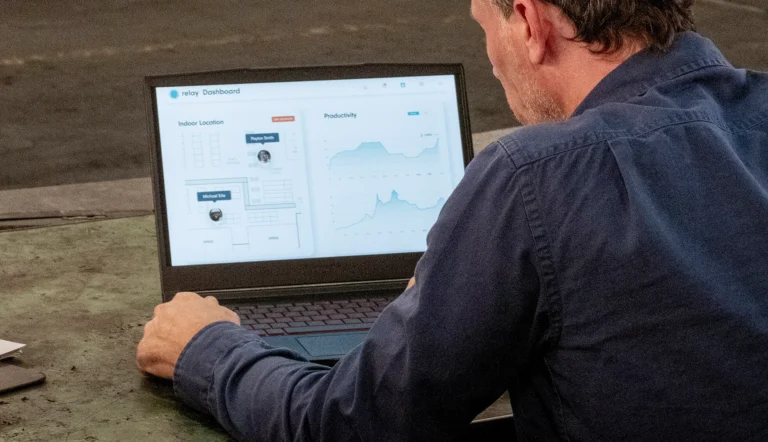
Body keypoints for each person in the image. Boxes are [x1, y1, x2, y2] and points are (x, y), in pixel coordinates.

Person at [137, 0, 768, 440]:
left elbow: (346, 425)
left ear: (529, 23)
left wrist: (206, 349)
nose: (492, 60)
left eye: (484, 28)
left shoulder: (535, 175)